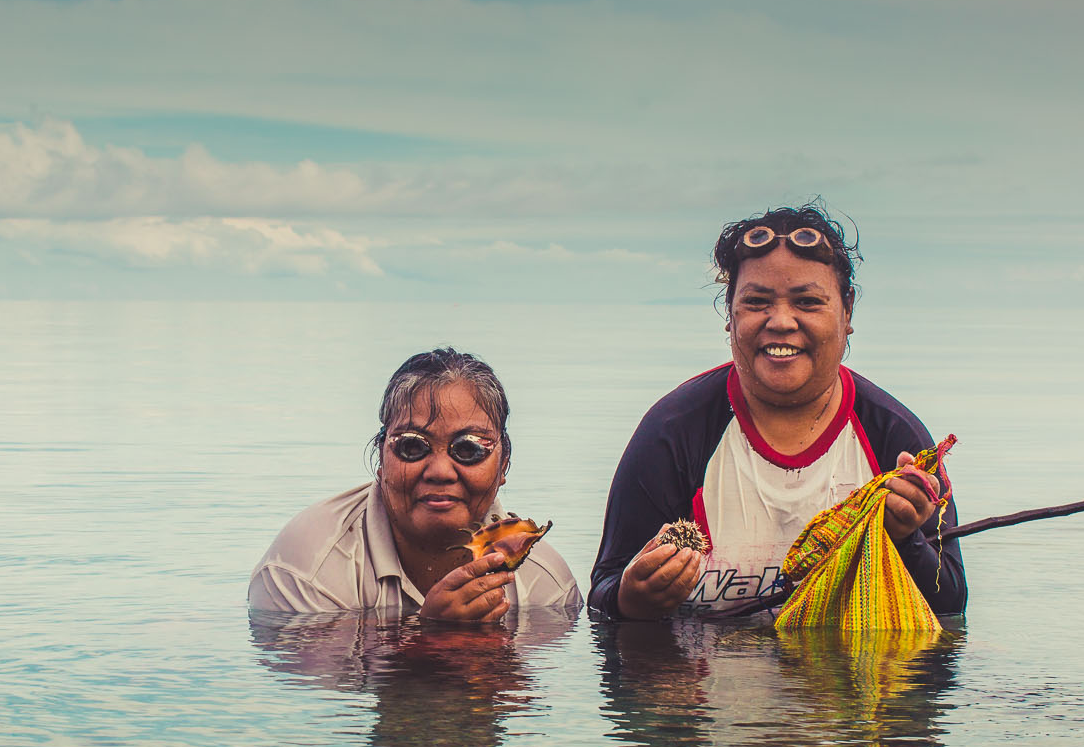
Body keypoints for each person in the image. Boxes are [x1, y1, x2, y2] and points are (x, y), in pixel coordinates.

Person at [589, 204, 965, 621]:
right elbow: (604, 592)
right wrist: (632, 598)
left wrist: (904, 539)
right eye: (757, 302)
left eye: (807, 301)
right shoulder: (673, 433)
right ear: (729, 314)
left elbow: (949, 606)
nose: (782, 321)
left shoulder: (893, 438)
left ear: (848, 311)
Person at [249, 348, 582, 618]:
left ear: (504, 463)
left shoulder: (545, 586)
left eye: (468, 449)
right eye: (412, 446)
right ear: (381, 459)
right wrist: (436, 638)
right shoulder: (308, 566)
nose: (440, 470)